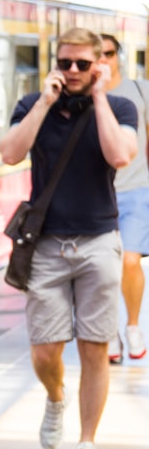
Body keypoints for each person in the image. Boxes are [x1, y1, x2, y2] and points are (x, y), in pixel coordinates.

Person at [0, 27, 137, 449]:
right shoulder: (32, 106)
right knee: (44, 352)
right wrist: (41, 102)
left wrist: (98, 98)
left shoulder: (119, 108)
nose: (72, 71)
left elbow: (120, 155)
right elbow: (9, 153)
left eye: (82, 64)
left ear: (100, 64)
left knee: (95, 348)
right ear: (55, 64)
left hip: (98, 241)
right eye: (64, 63)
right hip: (48, 245)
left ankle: (87, 445)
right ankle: (55, 396)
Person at [99, 33, 148, 363]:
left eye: (109, 53)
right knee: (102, 269)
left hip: (137, 191)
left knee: (130, 261)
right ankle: (109, 333)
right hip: (98, 195)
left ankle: (132, 325)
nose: (104, 60)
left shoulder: (140, 90)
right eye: (97, 54)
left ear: (118, 55)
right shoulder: (85, 97)